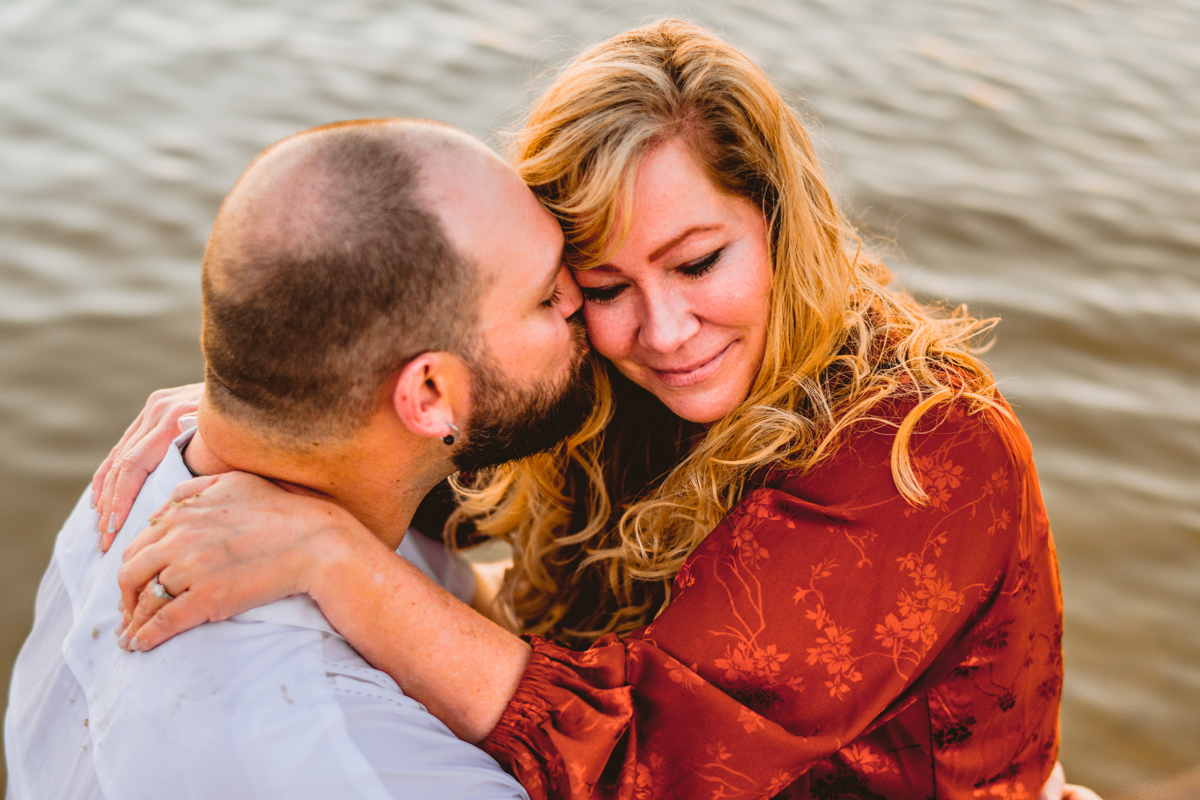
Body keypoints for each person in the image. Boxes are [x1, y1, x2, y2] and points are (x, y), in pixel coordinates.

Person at [93, 20, 1087, 800]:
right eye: (603, 284)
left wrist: (331, 557)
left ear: (782, 221)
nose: (664, 328)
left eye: (700, 261)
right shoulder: (613, 369)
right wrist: (278, 401)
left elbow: (653, 773)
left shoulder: (918, 451)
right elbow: (428, 441)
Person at [3, 117, 600, 799]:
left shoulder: (142, 480)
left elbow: (477, 607)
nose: (579, 298)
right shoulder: (359, 760)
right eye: (546, 296)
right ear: (429, 392)